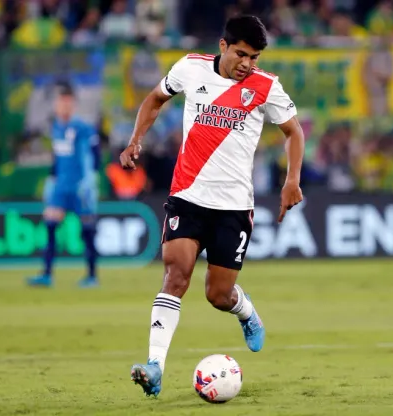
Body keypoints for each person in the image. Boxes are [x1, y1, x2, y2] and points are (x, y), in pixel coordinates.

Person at [119, 15, 305, 397]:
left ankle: (246, 311)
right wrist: (136, 139)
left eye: (253, 57)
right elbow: (155, 99)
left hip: (234, 207)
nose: (247, 64)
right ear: (223, 46)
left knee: (218, 295)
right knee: (176, 276)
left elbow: (294, 131)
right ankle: (155, 367)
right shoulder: (190, 68)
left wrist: (292, 180)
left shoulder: (266, 86)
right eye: (241, 54)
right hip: (187, 196)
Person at [26, 82, 101, 288]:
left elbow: (95, 155)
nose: (64, 107)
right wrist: (52, 179)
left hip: (80, 188)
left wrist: (91, 180)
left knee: (87, 230)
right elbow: (57, 157)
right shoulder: (56, 127)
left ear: (74, 105)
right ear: (56, 105)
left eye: (68, 103)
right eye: (61, 103)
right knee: (50, 225)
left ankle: (92, 276)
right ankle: (47, 274)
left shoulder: (83, 128)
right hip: (61, 187)